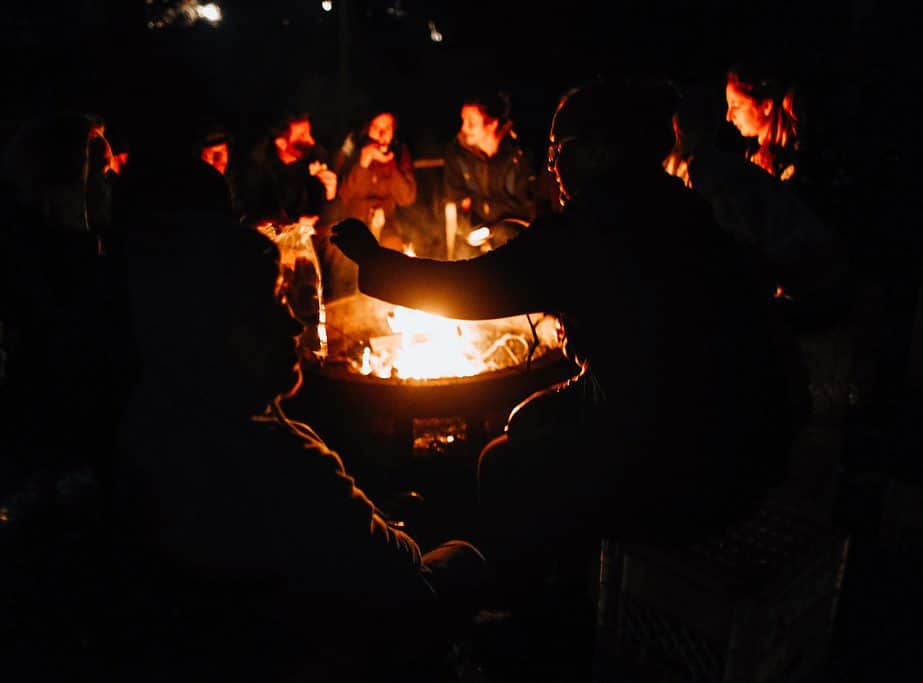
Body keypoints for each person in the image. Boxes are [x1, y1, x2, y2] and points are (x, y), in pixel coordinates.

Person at [332, 77, 808, 678]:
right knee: (532, 418)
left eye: (560, 150)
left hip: (689, 470)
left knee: (503, 462)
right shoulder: (679, 205)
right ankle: (561, 581)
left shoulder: (598, 225)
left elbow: (465, 289)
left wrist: (373, 262)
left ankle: (542, 625)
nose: (553, 164)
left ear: (601, 149)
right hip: (753, 443)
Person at [112, 203, 489, 680]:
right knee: (463, 558)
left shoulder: (151, 423)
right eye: (275, 305)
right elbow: (395, 566)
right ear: (229, 336)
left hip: (233, 638)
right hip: (319, 642)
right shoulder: (284, 458)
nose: (294, 325)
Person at [319, 109, 417, 300]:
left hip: (386, 227)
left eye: (387, 128)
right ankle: (344, 308)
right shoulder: (350, 152)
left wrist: (391, 166)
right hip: (350, 225)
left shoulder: (398, 152)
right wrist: (363, 162)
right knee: (342, 256)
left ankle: (390, 311)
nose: (382, 135)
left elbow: (407, 198)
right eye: (376, 128)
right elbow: (343, 196)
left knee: (396, 257)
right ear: (366, 129)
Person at [443, 90, 537, 258]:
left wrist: (500, 229)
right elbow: (457, 201)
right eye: (463, 120)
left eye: (471, 122)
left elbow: (531, 207)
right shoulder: (457, 153)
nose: (464, 128)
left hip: (513, 233)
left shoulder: (519, 154)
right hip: (477, 233)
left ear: (492, 123)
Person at [240, 110, 338, 228]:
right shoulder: (259, 169)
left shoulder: (315, 159)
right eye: (302, 136)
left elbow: (329, 222)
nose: (312, 141)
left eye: (309, 133)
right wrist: (295, 221)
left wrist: (331, 197)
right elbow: (254, 216)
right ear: (282, 143)